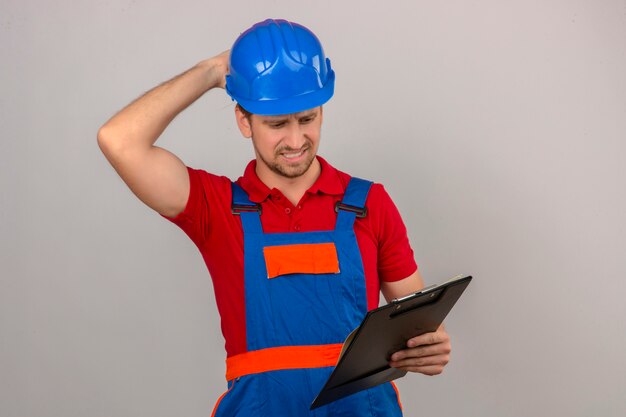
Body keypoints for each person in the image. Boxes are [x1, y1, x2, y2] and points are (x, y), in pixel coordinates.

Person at [98, 18, 451, 417]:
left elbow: (416, 327)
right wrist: (213, 70)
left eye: (308, 118)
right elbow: (119, 141)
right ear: (243, 121)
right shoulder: (216, 208)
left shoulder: (369, 204)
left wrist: (431, 348)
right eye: (277, 124)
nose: (297, 141)